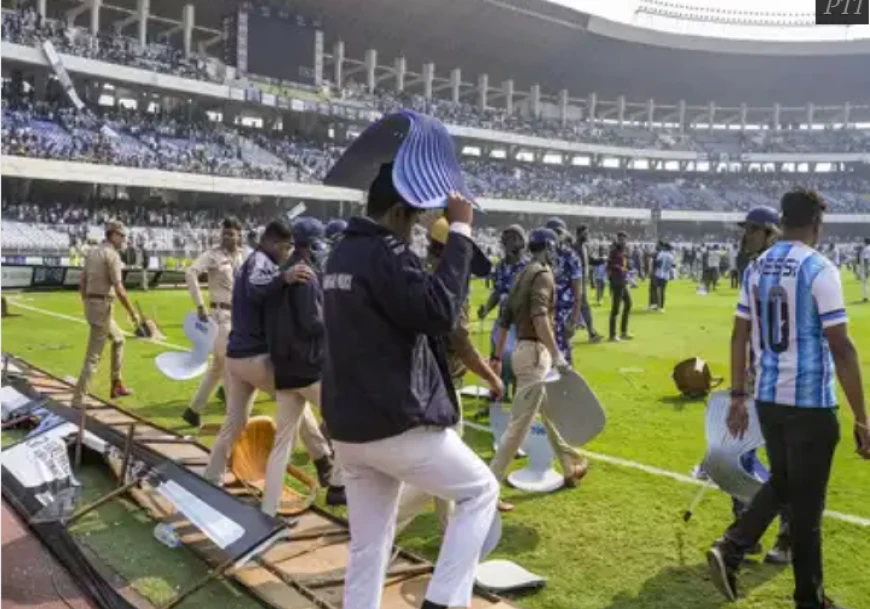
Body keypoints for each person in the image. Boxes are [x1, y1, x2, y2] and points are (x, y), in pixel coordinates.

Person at [320, 110, 498, 609]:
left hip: (349, 429)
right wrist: (460, 233)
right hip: (394, 422)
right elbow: (440, 312)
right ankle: (443, 601)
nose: (418, 228)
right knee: (479, 492)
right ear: (399, 211)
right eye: (417, 218)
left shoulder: (339, 254)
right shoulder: (385, 253)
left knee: (368, 545)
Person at [707, 189, 870, 609]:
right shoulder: (820, 268)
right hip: (811, 402)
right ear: (817, 224)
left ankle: (734, 547)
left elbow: (739, 334)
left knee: (783, 483)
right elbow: (843, 348)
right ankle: (807, 599)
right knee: (808, 507)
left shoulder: (757, 266)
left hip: (768, 398)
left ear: (782, 221)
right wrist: (862, 417)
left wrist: (740, 395)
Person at [202, 221, 337, 516]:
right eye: (285, 248)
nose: (287, 254)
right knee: (295, 391)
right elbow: (255, 290)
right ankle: (323, 459)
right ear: (275, 243)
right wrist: (284, 278)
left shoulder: (256, 260)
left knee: (235, 422)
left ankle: (211, 479)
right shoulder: (260, 261)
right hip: (254, 356)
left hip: (238, 355)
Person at [395, 216, 503, 533]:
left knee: (442, 461)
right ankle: (387, 526)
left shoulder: (420, 272)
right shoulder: (445, 284)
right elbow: (461, 342)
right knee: (442, 470)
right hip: (438, 386)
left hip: (421, 381)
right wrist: (492, 378)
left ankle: (448, 529)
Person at [490, 227, 589, 512]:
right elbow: (539, 316)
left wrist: (497, 357)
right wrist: (557, 355)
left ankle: (570, 466)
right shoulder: (543, 275)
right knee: (517, 429)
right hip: (535, 353)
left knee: (547, 414)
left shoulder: (522, 273)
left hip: (522, 350)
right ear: (547, 247)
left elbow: (505, 317)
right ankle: (487, 488)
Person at [267, 216, 346, 507]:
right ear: (310, 245)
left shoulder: (282, 273)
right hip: (309, 368)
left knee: (282, 443)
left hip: (284, 370)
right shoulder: (307, 276)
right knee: (346, 421)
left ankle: (269, 505)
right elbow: (312, 322)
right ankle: (338, 486)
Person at [181, 217, 243, 428]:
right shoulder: (212, 255)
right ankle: (232, 419)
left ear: (239, 235)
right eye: (224, 233)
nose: (226, 237)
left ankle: (193, 411)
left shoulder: (244, 256)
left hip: (237, 316)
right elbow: (190, 272)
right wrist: (199, 305)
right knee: (229, 369)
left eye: (231, 233)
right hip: (219, 316)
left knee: (218, 367)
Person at [71, 220, 138, 406]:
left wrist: (87, 301)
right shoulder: (112, 255)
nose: (124, 239)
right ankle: (79, 398)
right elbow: (119, 288)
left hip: (93, 304)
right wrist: (133, 313)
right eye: (122, 235)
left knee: (118, 339)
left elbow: (81, 282)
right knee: (94, 355)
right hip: (102, 306)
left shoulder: (92, 252)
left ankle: (116, 384)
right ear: (113, 235)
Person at [477, 225, 528, 400]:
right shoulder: (500, 266)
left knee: (519, 362)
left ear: (521, 241)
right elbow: (497, 292)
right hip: (503, 322)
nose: (506, 243)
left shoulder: (528, 267)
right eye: (505, 239)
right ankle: (499, 394)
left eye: (512, 238)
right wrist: (486, 309)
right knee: (498, 360)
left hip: (520, 323)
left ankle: (518, 399)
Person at [544, 218, 585, 363]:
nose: (554, 236)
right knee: (542, 357)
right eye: (551, 233)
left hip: (563, 314)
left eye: (557, 233)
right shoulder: (542, 256)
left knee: (563, 357)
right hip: (543, 313)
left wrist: (573, 321)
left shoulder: (570, 256)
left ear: (563, 234)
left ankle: (568, 385)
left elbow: (578, 292)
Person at [573, 224, 603, 341]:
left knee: (582, 307)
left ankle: (591, 332)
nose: (587, 235)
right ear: (579, 234)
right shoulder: (574, 248)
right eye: (585, 233)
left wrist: (601, 260)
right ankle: (591, 332)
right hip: (576, 282)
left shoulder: (584, 247)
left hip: (582, 281)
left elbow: (589, 260)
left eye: (587, 233)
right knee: (582, 307)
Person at [607, 231, 633, 342]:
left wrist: (628, 265)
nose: (624, 241)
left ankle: (623, 332)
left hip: (622, 281)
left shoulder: (624, 251)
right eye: (621, 239)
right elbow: (609, 265)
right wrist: (619, 268)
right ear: (618, 239)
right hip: (617, 282)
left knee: (628, 303)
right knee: (615, 308)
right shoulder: (614, 251)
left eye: (625, 239)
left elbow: (628, 265)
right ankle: (612, 335)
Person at [652, 242, 675, 312]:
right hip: (666, 275)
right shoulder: (671, 256)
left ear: (665, 247)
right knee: (662, 291)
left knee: (658, 290)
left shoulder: (661, 254)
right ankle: (661, 306)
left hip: (659, 274)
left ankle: (658, 306)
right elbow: (672, 265)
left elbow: (657, 262)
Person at [861, 237, 870, 302]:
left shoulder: (866, 249)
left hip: (866, 267)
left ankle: (865, 297)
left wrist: (866, 270)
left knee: (864, 282)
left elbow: (866, 259)